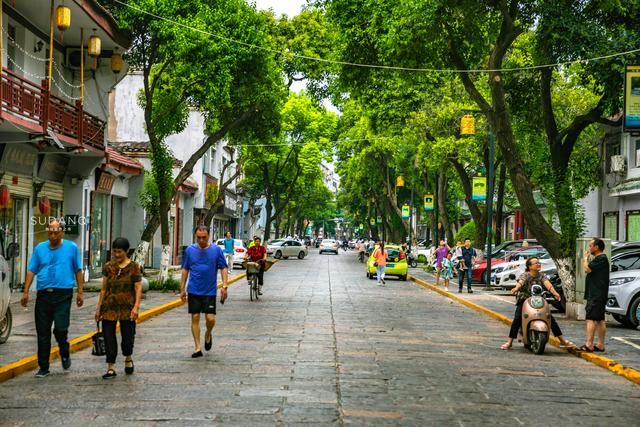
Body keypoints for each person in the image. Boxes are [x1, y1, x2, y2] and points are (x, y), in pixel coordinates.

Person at [21, 219, 84, 378]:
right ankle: (43, 367)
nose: (53, 235)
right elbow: (31, 270)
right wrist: (26, 291)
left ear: (62, 232)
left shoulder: (71, 248)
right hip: (43, 295)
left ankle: (64, 350)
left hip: (63, 294)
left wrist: (80, 292)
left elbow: (78, 270)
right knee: (42, 332)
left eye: (56, 232)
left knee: (60, 328)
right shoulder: (40, 248)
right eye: (50, 232)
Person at [501, 257, 575, 350]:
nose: (538, 264)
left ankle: (562, 341)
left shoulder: (542, 276)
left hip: (538, 301)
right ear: (529, 266)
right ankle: (509, 342)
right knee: (517, 319)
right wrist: (516, 288)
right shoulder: (525, 275)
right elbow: (521, 283)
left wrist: (555, 293)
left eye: (539, 263)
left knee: (549, 318)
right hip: (524, 300)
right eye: (536, 263)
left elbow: (548, 284)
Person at [95, 238, 142, 379]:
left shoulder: (134, 267)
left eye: (120, 252)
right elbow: (104, 289)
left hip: (127, 308)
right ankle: (111, 367)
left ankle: (128, 358)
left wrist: (136, 307)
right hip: (109, 307)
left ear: (126, 251)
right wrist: (98, 308)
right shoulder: (108, 267)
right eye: (115, 251)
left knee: (127, 338)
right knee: (108, 337)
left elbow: (138, 287)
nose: (117, 254)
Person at [180, 226, 228, 358]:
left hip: (210, 291)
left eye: (204, 237)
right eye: (198, 237)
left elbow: (223, 267)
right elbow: (185, 269)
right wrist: (182, 289)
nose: (201, 240)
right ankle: (197, 347)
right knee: (195, 317)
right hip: (194, 289)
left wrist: (224, 285)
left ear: (209, 236)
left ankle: (208, 334)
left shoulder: (216, 250)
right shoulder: (190, 250)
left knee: (210, 319)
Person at [581, 238, 610, 352]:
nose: (589, 248)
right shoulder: (601, 259)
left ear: (597, 247)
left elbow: (587, 269)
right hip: (599, 293)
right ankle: (601, 344)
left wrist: (585, 258)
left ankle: (589, 344)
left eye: (590, 246)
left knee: (591, 319)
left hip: (596, 294)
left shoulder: (600, 259)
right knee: (599, 319)